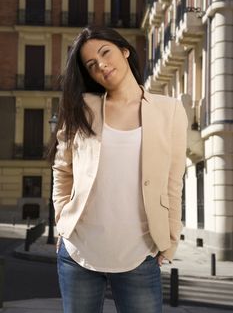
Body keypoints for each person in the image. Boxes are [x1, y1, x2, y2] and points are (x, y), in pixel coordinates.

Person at [48, 25, 187, 313]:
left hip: (139, 253)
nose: (102, 65)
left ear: (124, 50)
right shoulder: (82, 109)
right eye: (92, 65)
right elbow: (63, 170)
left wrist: (170, 239)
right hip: (79, 253)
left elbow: (174, 180)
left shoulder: (169, 110)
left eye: (105, 52)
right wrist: (62, 222)